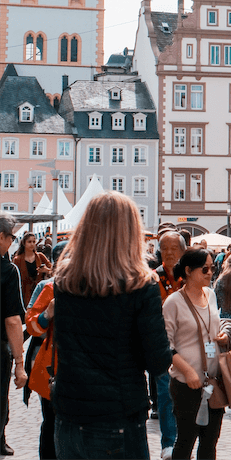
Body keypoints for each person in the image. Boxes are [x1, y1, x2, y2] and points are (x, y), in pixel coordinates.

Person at [52, 192, 171, 460]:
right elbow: (158, 360)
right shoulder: (141, 285)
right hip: (118, 414)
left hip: (70, 413)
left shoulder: (64, 280)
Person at [162, 248, 228, 460]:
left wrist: (223, 336)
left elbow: (213, 326)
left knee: (210, 442)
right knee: (186, 439)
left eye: (213, 268)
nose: (210, 273)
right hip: (186, 383)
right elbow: (165, 344)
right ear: (189, 271)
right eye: (205, 269)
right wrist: (188, 371)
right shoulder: (173, 302)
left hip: (213, 381)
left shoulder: (210, 295)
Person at [25, 240, 69, 460]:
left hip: (84, 369)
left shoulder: (93, 287)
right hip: (52, 367)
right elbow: (32, 325)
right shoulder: (49, 288)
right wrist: (47, 315)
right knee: (51, 423)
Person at [155, 231, 186, 460]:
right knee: (166, 394)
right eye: (164, 248)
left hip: (189, 345)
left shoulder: (190, 276)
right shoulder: (153, 279)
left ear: (184, 251)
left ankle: (184, 442)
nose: (169, 253)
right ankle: (168, 443)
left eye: (174, 248)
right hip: (163, 345)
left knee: (187, 396)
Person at [0, 214, 26, 457]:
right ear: (1, 237)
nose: (12, 242)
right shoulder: (8, 270)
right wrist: (19, 363)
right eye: (12, 237)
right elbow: (12, 320)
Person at [12, 233, 52, 308]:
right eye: (29, 242)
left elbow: (53, 271)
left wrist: (47, 271)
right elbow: (14, 278)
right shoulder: (18, 259)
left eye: (34, 242)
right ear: (24, 243)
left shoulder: (40, 256)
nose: (32, 244)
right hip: (24, 293)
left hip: (40, 292)